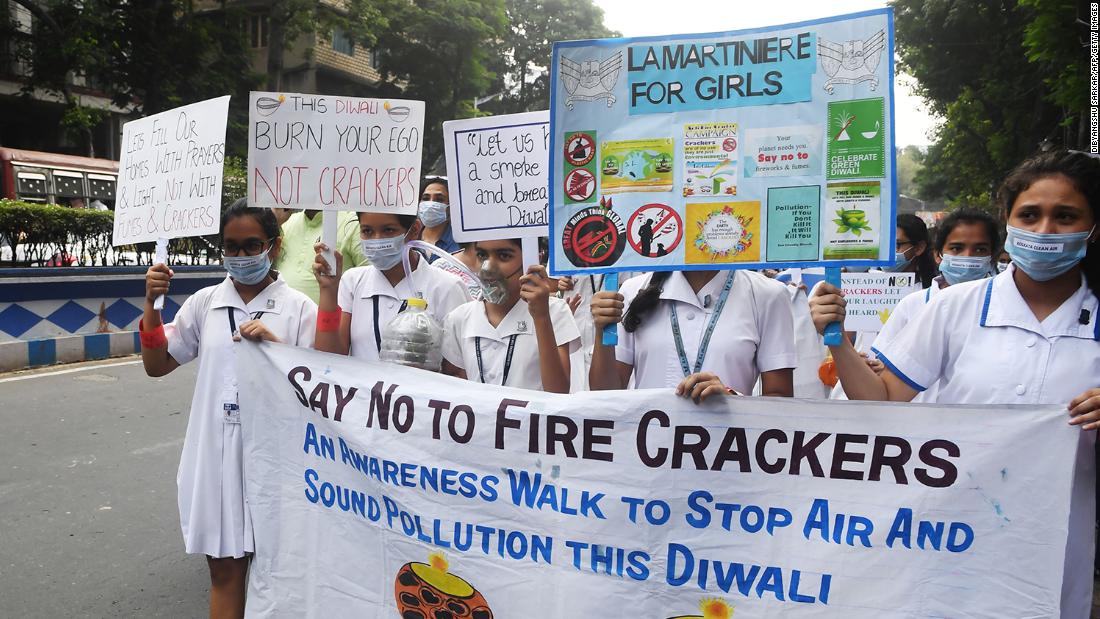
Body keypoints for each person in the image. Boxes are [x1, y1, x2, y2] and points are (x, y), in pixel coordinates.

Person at [809, 150, 1100, 617]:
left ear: (1093, 228)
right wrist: (838, 340)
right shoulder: (955, 307)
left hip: (1057, 547)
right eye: (1030, 214)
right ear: (1009, 221)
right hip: (950, 538)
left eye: (1065, 216)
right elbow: (883, 399)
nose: (1045, 230)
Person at [139, 199, 317, 618]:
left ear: (274, 247)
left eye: (251, 245)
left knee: (280, 573)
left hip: (280, 459)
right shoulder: (205, 302)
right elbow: (157, 365)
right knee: (224, 571)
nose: (240, 256)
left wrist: (277, 349)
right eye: (231, 247)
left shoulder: (299, 309)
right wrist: (150, 305)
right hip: (216, 459)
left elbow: (320, 391)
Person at [588, 268, 797, 399]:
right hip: (649, 456)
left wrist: (731, 400)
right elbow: (604, 396)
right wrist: (601, 330)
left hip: (732, 455)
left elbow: (780, 400)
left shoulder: (767, 294)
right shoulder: (631, 292)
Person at [312, 211, 469, 361]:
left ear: (414, 230)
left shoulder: (447, 287)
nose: (376, 240)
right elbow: (328, 358)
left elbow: (456, 370)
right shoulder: (353, 281)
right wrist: (328, 291)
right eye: (367, 231)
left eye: (388, 230)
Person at [442, 238, 579, 393]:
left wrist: (541, 317)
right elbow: (454, 389)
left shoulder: (555, 312)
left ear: (532, 258)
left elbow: (558, 392)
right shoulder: (459, 318)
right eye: (482, 255)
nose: (488, 268)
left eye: (504, 256)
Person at [273, 209, 367, 304]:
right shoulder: (287, 221)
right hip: (278, 312)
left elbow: (368, 281)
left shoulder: (351, 223)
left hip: (329, 316)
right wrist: (275, 223)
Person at [891, 213, 938, 287]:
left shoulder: (934, 288)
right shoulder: (870, 284)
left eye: (896, 244)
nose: (888, 252)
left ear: (919, 248)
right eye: (884, 246)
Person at [418, 177, 459, 254]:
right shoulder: (408, 239)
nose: (430, 204)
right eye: (425, 198)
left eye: (439, 199)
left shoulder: (460, 243)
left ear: (450, 206)